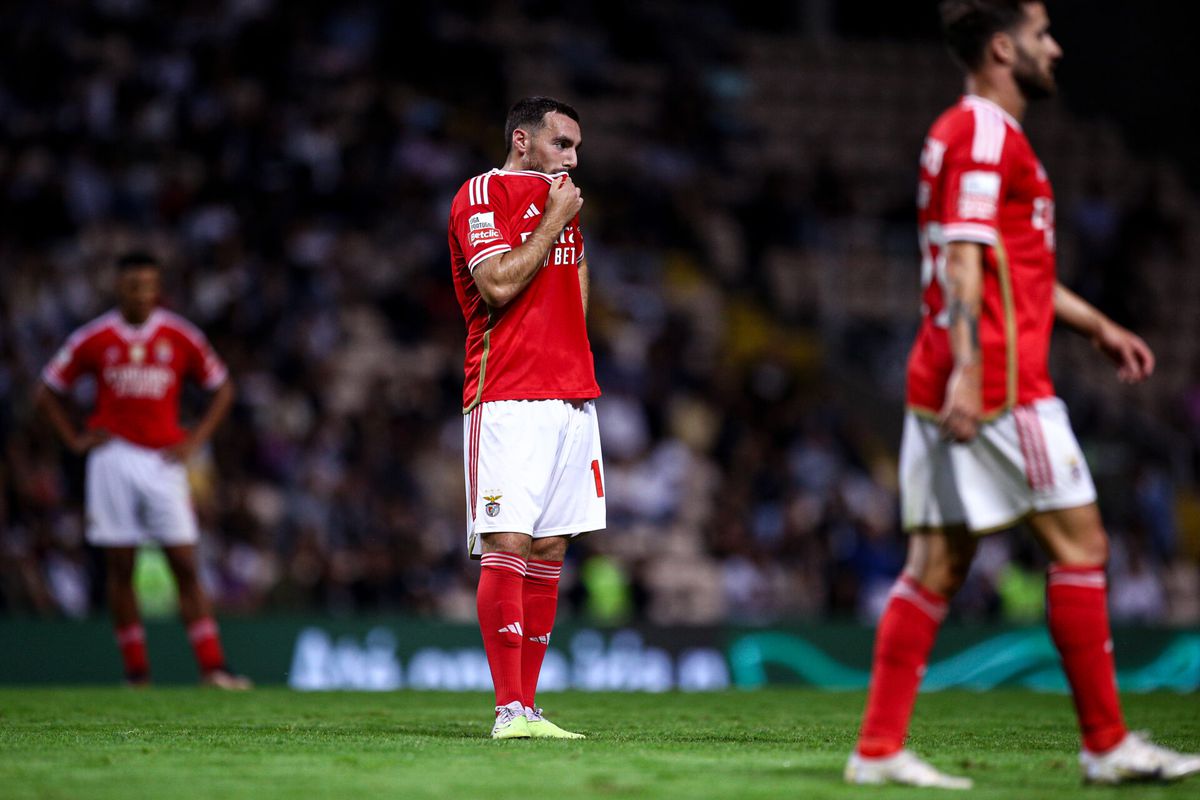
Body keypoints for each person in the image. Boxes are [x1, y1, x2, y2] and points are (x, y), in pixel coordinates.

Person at [845, 1, 1200, 788]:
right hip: (1000, 381)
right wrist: (974, 372)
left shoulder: (967, 135)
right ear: (1004, 48)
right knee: (1082, 546)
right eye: (1044, 36)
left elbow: (1016, 269)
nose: (1058, 49)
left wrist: (1099, 325)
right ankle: (1107, 745)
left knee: (935, 565)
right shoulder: (982, 132)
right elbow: (967, 261)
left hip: (944, 367)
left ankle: (876, 749)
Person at [448, 96, 604, 739]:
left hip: (571, 397)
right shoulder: (482, 195)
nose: (571, 158)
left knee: (548, 548)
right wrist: (553, 219)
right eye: (561, 143)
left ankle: (530, 709)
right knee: (507, 543)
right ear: (522, 140)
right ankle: (507, 709)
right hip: (506, 396)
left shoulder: (560, 201)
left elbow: (576, 282)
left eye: (576, 148)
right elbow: (499, 285)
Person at [35, 251, 249, 689]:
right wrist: (75, 438)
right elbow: (47, 390)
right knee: (120, 566)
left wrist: (196, 438)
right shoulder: (95, 338)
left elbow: (223, 388)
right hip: (111, 458)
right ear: (120, 287)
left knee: (184, 561)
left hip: (162, 459)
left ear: (158, 287)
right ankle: (137, 673)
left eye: (148, 285)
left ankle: (212, 667)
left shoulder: (179, 335)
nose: (141, 293)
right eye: (133, 285)